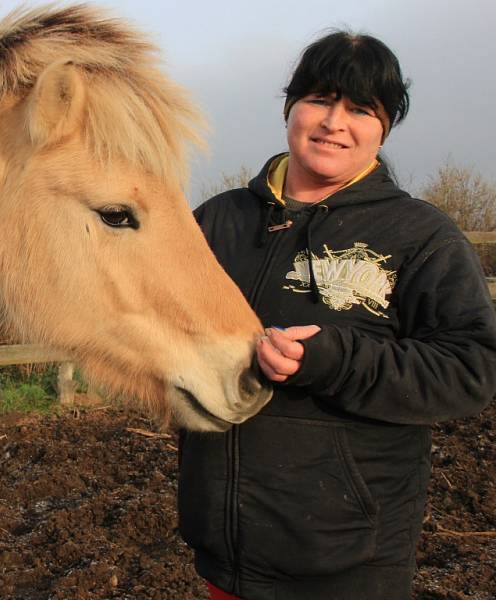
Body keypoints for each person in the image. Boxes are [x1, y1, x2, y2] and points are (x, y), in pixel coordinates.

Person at [178, 30, 496, 600]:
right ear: (290, 108)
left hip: (348, 566)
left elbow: (471, 368)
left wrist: (334, 359)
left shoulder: (419, 235)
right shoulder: (217, 222)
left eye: (360, 109)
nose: (334, 122)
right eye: (321, 99)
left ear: (384, 128)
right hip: (224, 556)